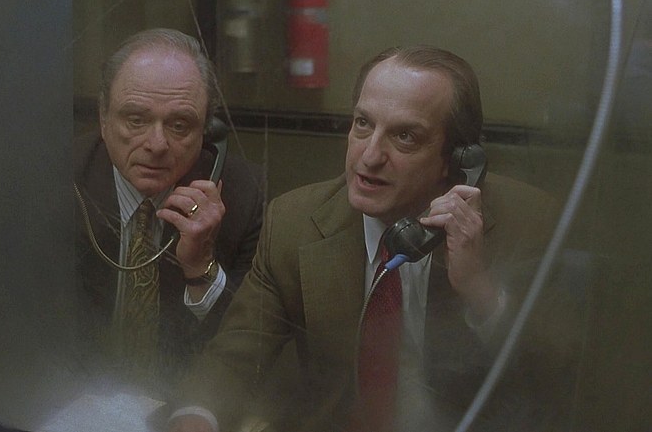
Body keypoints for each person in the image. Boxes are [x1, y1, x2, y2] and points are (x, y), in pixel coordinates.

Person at [169, 46, 580, 431]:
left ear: (456, 160)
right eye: (363, 124)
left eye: (405, 137)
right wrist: (196, 417)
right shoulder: (294, 223)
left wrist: (479, 288)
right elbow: (234, 358)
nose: (369, 156)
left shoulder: (525, 222)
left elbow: (560, 375)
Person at [73, 28, 264, 397]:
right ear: (103, 118)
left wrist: (202, 267)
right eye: (135, 120)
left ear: (206, 130)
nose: (157, 144)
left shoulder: (242, 197)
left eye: (179, 125)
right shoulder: (61, 183)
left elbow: (244, 350)